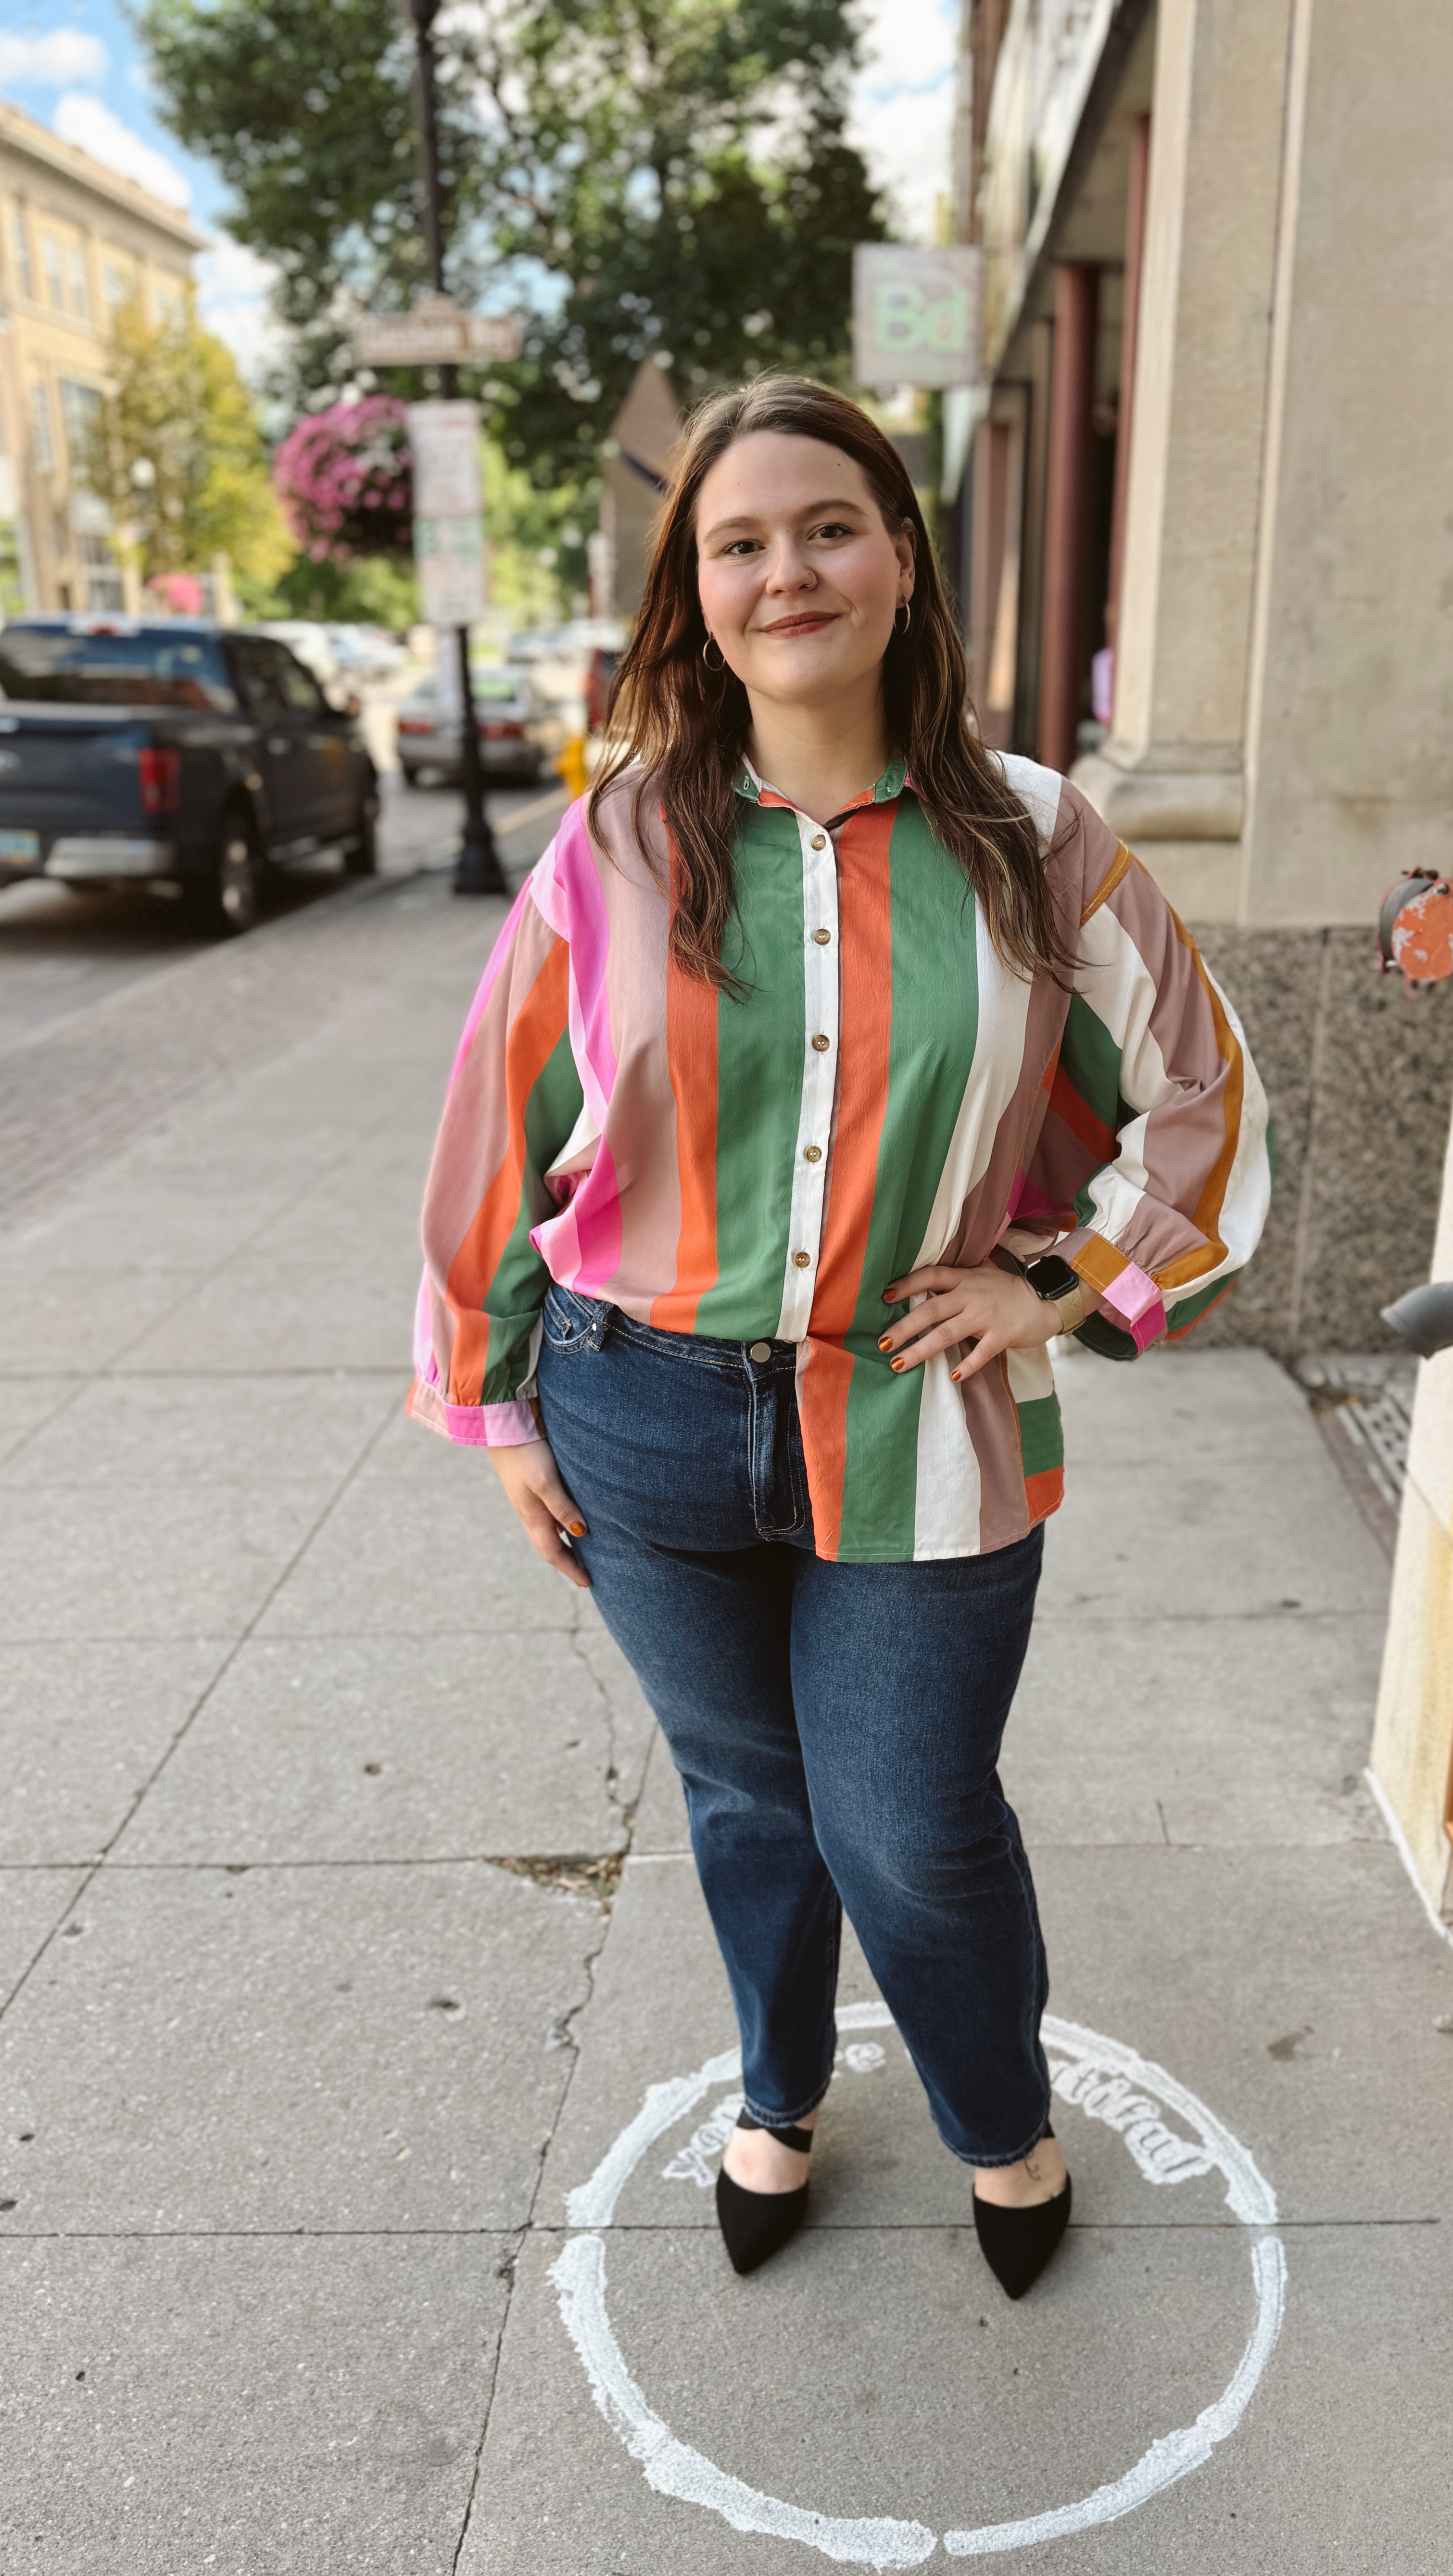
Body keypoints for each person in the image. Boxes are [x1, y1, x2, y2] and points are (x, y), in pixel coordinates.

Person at [409, 376, 1268, 2298]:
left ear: (900, 558)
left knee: (915, 1831)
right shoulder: (615, 845)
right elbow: (497, 1121)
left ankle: (999, 2122)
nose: (784, 568)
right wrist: (499, 1407)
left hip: (918, 1419)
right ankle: (781, 2093)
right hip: (634, 1416)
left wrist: (1055, 1283)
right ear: (694, 592)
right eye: (739, 542)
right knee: (746, 1804)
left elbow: (1211, 1106)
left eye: (825, 526)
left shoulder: (1037, 841)